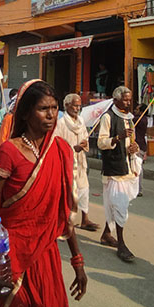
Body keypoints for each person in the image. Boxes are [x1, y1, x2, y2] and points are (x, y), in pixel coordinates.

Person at [0, 80, 87, 307]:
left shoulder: (62, 150)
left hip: (45, 254)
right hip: (11, 253)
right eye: (43, 109)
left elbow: (63, 213)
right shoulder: (10, 151)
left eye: (54, 108)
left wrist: (77, 261)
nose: (51, 115)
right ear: (26, 113)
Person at [97, 85, 139, 262]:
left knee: (117, 204)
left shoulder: (129, 118)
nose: (128, 102)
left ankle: (107, 234)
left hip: (127, 166)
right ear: (115, 100)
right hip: (114, 169)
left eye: (130, 99)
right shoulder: (108, 117)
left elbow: (133, 142)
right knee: (119, 206)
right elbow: (101, 143)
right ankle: (121, 245)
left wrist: (134, 147)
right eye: (125, 99)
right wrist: (118, 138)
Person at [54, 93, 99, 232]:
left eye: (79, 105)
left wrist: (84, 144)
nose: (77, 108)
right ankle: (64, 223)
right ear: (66, 105)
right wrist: (73, 150)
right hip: (66, 164)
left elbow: (85, 136)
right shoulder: (60, 123)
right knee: (67, 193)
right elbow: (56, 144)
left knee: (84, 190)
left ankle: (85, 219)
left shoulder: (80, 121)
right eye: (75, 105)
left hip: (80, 162)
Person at [134, 103, 149, 197]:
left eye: (137, 109)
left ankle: (139, 189)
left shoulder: (140, 120)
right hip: (140, 145)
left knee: (138, 168)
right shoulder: (141, 119)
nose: (135, 110)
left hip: (139, 146)